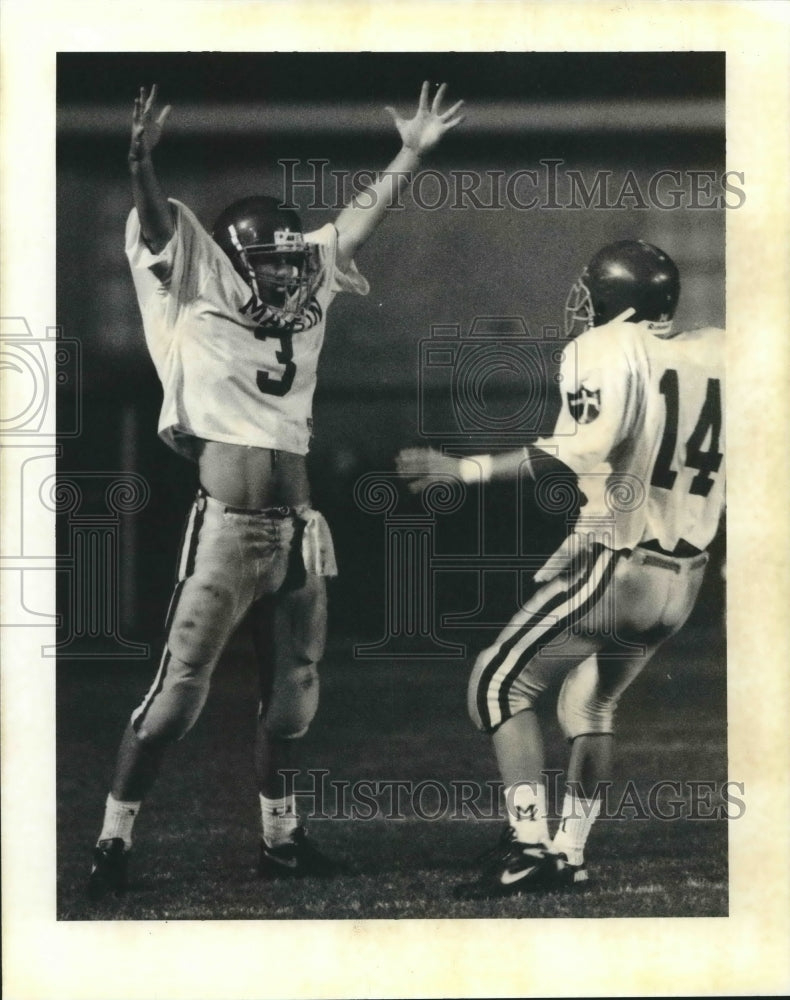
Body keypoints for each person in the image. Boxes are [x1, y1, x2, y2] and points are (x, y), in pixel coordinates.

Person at [88, 81, 464, 899]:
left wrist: (411, 151)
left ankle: (282, 842)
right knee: (175, 701)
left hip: (299, 526)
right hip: (223, 528)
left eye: (297, 261)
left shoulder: (307, 286)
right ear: (234, 262)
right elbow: (157, 225)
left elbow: (359, 222)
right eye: (276, 264)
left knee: (294, 698)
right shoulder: (192, 282)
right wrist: (140, 163)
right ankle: (114, 839)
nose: (294, 276)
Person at [397, 239, 725, 895]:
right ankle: (569, 853)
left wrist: (467, 469)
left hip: (625, 570)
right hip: (685, 579)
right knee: (591, 704)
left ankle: (528, 847)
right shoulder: (717, 350)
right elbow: (641, 465)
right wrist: (583, 535)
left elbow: (582, 450)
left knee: (496, 682)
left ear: (610, 295)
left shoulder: (606, 348)